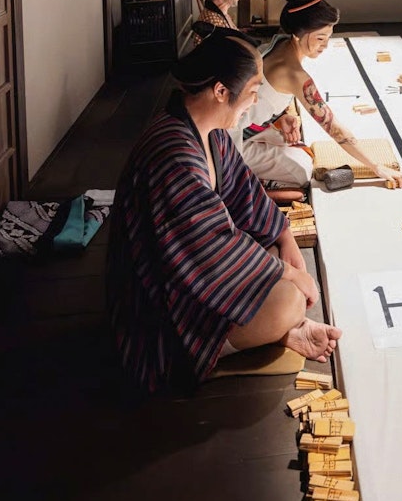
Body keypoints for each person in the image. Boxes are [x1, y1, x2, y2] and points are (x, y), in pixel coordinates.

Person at [107, 28, 342, 394]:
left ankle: (283, 332)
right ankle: (209, 352)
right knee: (288, 300)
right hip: (159, 309)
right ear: (221, 91)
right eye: (251, 93)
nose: (253, 104)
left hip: (196, 271)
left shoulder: (209, 131)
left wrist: (284, 238)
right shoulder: (174, 155)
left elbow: (244, 191)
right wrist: (287, 275)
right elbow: (209, 249)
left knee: (280, 266)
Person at [261, 0, 402, 188]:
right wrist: (377, 167)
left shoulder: (279, 42)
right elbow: (335, 129)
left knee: (298, 149)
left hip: (253, 125)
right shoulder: (294, 74)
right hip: (235, 138)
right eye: (320, 38)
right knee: (301, 170)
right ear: (297, 35)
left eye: (329, 37)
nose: (325, 45)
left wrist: (280, 117)